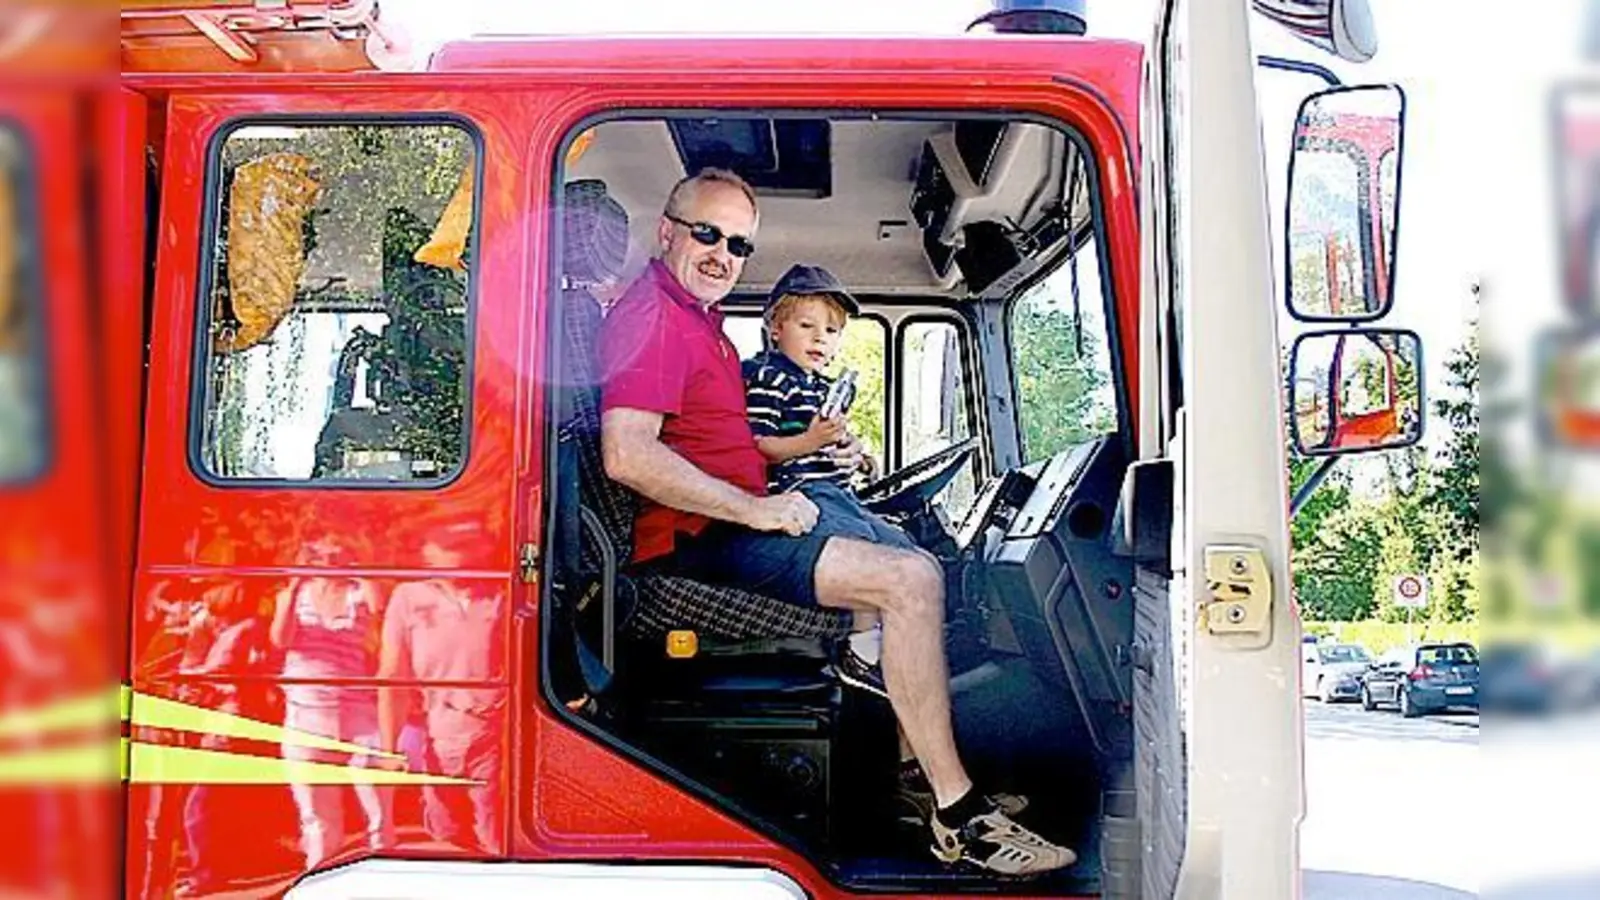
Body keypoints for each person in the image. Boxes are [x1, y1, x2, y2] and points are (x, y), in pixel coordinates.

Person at [598, 166, 1074, 876]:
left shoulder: (700, 323)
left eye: (738, 244)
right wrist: (758, 506)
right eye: (707, 233)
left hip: (737, 524)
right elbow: (627, 455)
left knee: (915, 565)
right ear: (667, 231)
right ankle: (958, 816)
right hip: (703, 541)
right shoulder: (654, 316)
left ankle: (920, 779)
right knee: (910, 581)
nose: (722, 254)